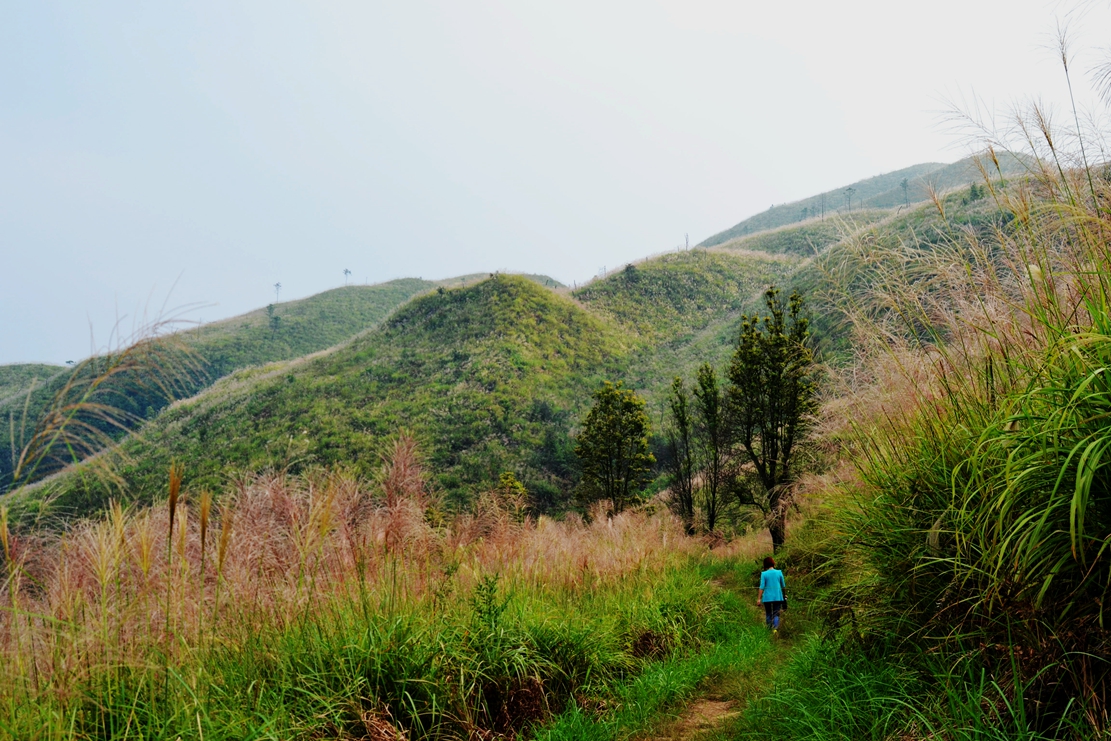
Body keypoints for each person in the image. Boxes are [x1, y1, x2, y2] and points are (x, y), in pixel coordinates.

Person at [757, 556, 786, 634]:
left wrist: (759, 599)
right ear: (773, 563)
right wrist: (784, 595)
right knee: (776, 613)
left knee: (768, 613)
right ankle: (775, 630)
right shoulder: (779, 572)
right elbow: (783, 586)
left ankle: (769, 629)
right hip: (777, 597)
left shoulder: (764, 574)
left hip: (767, 597)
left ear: (765, 564)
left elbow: (761, 587)